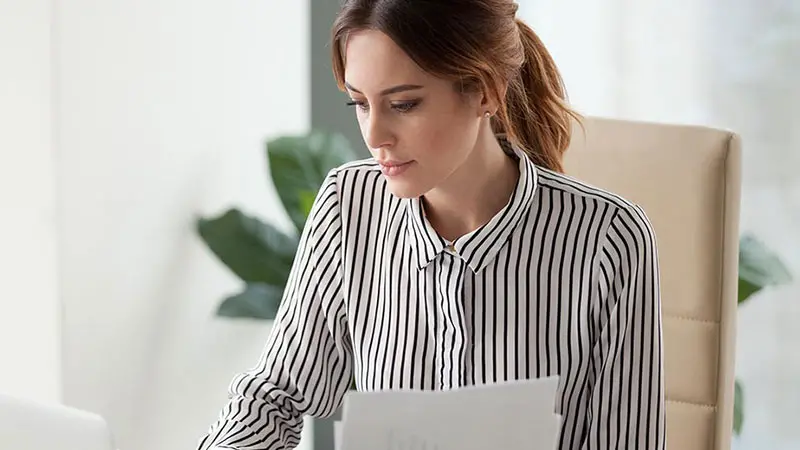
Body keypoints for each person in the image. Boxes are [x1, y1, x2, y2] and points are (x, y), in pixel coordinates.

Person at [198, 0, 665, 449]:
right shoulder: (349, 205)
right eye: (360, 104)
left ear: (485, 90)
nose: (374, 135)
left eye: (403, 104)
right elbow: (275, 397)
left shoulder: (609, 238)